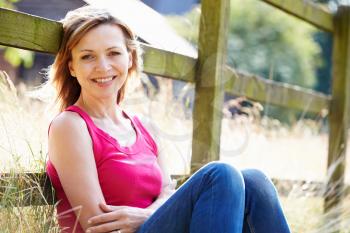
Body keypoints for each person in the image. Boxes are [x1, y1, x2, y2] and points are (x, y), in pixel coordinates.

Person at [45, 5, 291, 233]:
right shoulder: (71, 126)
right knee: (221, 175)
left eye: (113, 53)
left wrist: (144, 216)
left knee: (254, 181)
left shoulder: (146, 128)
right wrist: (153, 214)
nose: (103, 66)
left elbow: (167, 195)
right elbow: (95, 222)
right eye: (88, 56)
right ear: (72, 67)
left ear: (129, 59)